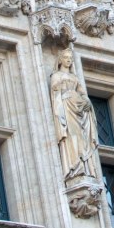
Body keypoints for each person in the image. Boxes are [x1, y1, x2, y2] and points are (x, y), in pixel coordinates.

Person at [49, 49, 99, 182]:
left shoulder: (75, 77)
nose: (69, 60)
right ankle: (75, 166)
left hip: (79, 109)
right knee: (72, 135)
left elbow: (82, 93)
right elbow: (55, 90)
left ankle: (84, 166)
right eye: (66, 57)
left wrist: (86, 100)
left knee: (82, 138)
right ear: (60, 59)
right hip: (67, 108)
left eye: (70, 58)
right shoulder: (56, 75)